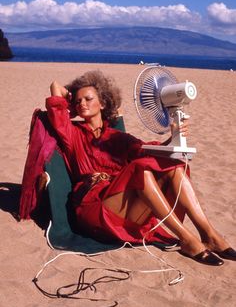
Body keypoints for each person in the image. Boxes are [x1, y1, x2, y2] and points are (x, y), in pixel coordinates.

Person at [45, 70, 236, 266]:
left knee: (173, 166)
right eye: (77, 101)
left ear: (102, 103)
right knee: (140, 169)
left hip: (121, 207)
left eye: (88, 99)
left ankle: (208, 234)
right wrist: (67, 97)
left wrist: (174, 137)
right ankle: (186, 238)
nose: (82, 103)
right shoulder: (72, 133)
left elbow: (148, 152)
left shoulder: (117, 137)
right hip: (93, 208)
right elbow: (55, 91)